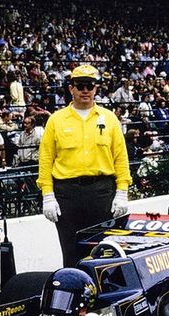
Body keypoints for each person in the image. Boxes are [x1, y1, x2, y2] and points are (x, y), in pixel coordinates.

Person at [38, 64, 131, 267]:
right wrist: (48, 195)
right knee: (71, 252)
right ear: (71, 88)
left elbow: (121, 158)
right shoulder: (56, 120)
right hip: (67, 195)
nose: (85, 91)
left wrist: (122, 191)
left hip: (102, 193)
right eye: (80, 86)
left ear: (96, 88)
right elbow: (45, 161)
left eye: (90, 86)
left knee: (103, 252)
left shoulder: (109, 119)